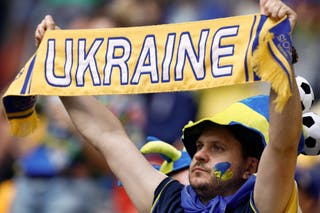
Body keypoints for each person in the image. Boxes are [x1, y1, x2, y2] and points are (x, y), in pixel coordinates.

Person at [34, 0, 302, 212]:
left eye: (217, 147)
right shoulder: (170, 203)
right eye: (199, 146)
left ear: (250, 166)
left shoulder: (260, 206)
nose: (199, 155)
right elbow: (108, 137)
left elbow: (283, 144)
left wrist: (280, 49)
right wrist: (58, 69)